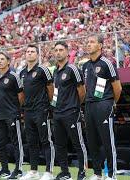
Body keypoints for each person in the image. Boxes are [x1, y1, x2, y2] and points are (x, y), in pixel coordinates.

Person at [82, 35, 122, 180]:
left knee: (107, 141)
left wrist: (111, 103)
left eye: (92, 42)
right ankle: (97, 174)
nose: (88, 44)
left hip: (104, 105)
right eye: (87, 42)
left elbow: (117, 88)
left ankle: (111, 174)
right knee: (92, 142)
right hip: (89, 106)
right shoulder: (85, 66)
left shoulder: (107, 63)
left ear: (100, 46)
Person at [52, 41, 88, 180]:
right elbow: (55, 92)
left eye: (61, 50)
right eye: (56, 50)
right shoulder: (55, 71)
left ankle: (82, 172)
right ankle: (65, 172)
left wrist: (74, 106)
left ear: (67, 52)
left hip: (71, 112)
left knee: (78, 143)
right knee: (59, 145)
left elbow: (82, 91)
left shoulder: (73, 69)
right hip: (58, 113)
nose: (58, 52)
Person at [19, 45, 55, 180]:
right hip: (28, 112)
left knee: (46, 140)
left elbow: (51, 88)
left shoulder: (43, 70)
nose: (29, 54)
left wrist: (50, 106)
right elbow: (22, 94)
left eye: (32, 52)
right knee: (31, 142)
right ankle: (33, 171)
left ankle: (49, 172)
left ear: (37, 54)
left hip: (41, 110)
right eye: (27, 52)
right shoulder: (22, 72)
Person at [0, 52, 24, 179]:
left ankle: (19, 169)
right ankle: (4, 169)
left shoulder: (14, 76)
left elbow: (21, 96)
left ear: (8, 61)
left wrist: (16, 110)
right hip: (0, 116)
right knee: (0, 143)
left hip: (12, 114)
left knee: (17, 143)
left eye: (2, 59)